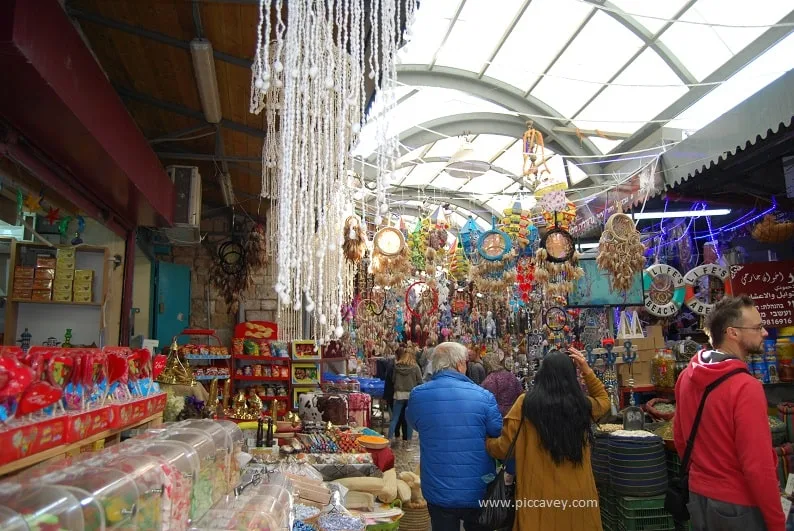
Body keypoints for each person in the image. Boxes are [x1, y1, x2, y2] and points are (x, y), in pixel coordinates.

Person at [674, 295, 784, 531]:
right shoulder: (746, 388)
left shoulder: (686, 377)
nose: (765, 332)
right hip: (738, 506)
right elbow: (758, 466)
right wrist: (776, 523)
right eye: (757, 327)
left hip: (698, 498)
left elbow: (681, 440)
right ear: (732, 332)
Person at [486, 348, 609, 530]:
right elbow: (604, 401)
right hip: (579, 496)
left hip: (538, 497)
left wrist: (488, 443)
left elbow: (505, 447)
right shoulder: (581, 404)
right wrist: (586, 369)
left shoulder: (525, 403)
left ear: (542, 373)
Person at [406, 342, 502, 531]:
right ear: (459, 364)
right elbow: (497, 430)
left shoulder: (419, 395)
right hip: (478, 487)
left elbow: (414, 423)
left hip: (438, 488)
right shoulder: (484, 396)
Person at [389, 346, 423, 443]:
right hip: (411, 395)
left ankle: (389, 438)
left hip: (398, 394)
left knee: (394, 418)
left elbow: (393, 380)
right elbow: (420, 381)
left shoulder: (397, 366)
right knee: (408, 419)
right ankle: (408, 441)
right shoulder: (415, 367)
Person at [481, 351, 523, 417]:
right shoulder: (510, 375)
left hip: (498, 417)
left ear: (486, 365)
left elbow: (488, 404)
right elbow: (520, 393)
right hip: (514, 413)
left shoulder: (489, 381)